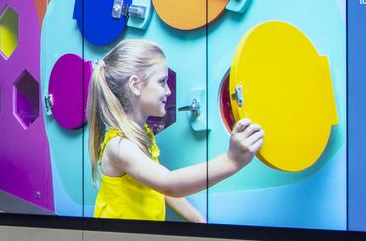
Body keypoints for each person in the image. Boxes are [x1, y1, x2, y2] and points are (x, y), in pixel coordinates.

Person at [88, 40, 264, 224]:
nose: (169, 91)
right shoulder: (119, 146)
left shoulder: (141, 134)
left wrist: (196, 218)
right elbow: (167, 183)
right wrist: (231, 160)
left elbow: (158, 186)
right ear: (135, 85)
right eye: (162, 82)